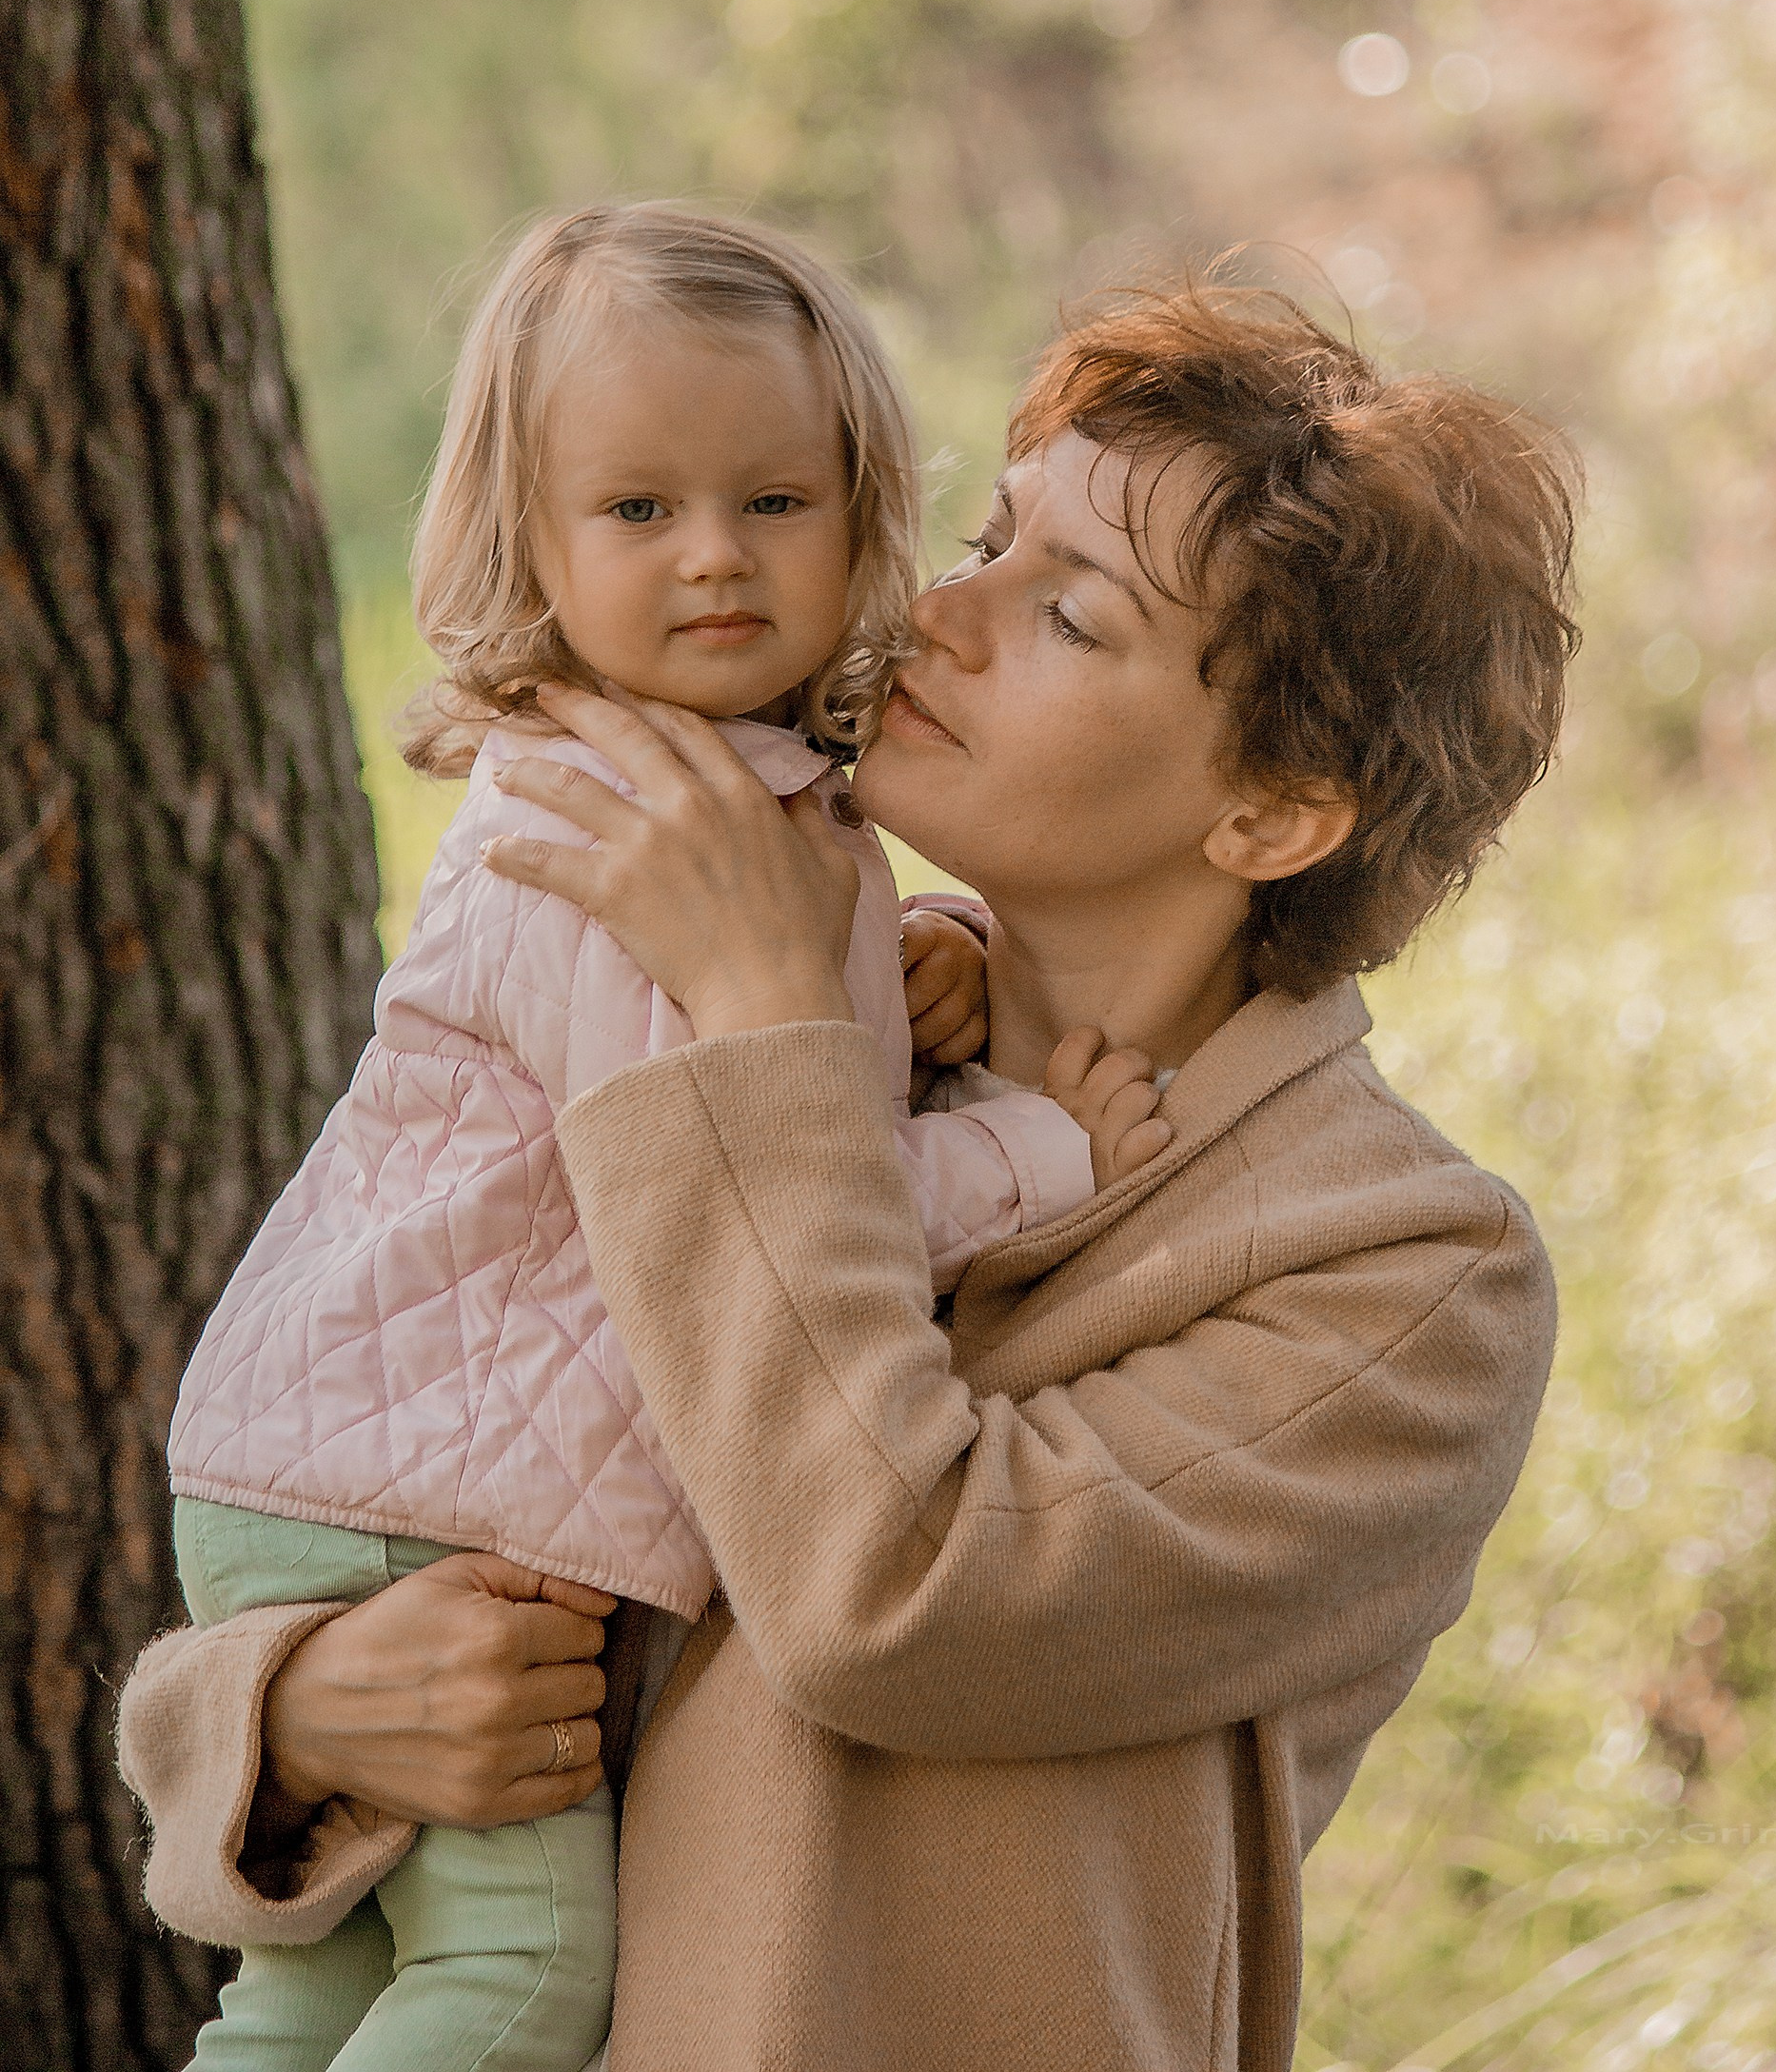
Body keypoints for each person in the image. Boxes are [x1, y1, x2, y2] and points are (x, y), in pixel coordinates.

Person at [122, 274, 1574, 2072]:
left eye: (1069, 613)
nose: (938, 615)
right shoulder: (834, 1021)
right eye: (984, 539)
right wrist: (292, 1718)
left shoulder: (1400, 1279)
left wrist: (762, 1029)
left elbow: (896, 1596)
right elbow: (450, 1444)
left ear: (1271, 810)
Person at [152, 203, 1167, 2072]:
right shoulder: (621, 826)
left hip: (346, 1444)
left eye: (774, 502)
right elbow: (723, 1179)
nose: (714, 557)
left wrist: (910, 970)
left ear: (862, 501)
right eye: (637, 514)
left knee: (312, 1989)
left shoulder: (733, 787)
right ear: (528, 542)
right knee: (517, 1974)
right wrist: (1039, 1153)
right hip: (421, 1495)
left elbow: (785, 1054)